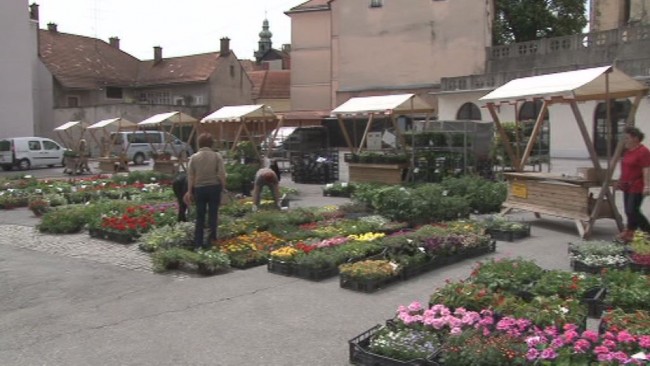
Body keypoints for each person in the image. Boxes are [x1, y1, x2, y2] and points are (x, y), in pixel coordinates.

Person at [183, 133, 227, 250]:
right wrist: (223, 187)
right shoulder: (216, 156)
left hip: (200, 189)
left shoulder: (194, 157)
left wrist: (189, 191)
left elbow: (190, 176)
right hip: (214, 187)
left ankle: (198, 243)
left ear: (199, 144)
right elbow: (221, 173)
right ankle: (212, 240)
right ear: (211, 143)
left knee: (200, 216)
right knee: (213, 214)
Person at [616, 126, 650, 243]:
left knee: (633, 210)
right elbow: (625, 167)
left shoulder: (643, 151)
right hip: (627, 185)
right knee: (628, 210)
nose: (625, 140)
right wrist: (620, 181)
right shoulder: (628, 152)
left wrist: (647, 185)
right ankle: (630, 232)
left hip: (637, 185)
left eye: (627, 138)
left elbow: (646, 169)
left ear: (635, 138)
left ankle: (647, 231)